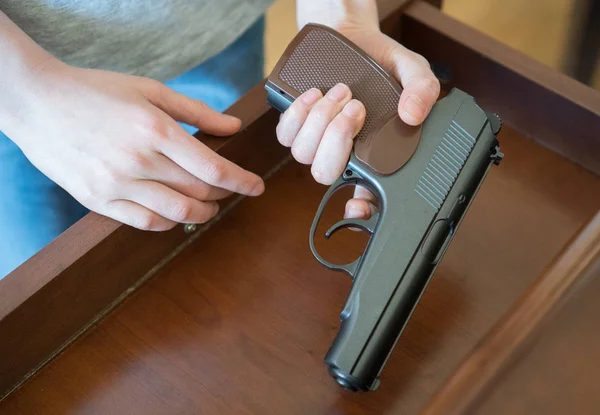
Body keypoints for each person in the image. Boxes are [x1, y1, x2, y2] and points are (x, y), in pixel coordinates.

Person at [0, 0, 440, 278]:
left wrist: (339, 14)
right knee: (43, 282)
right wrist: (30, 96)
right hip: (23, 82)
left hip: (218, 26)